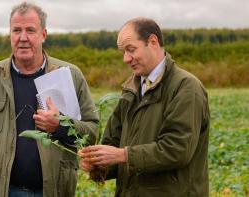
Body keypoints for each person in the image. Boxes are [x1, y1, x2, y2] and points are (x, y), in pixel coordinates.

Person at [0, 2, 98, 197]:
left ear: (43, 34)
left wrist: (59, 126)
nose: (22, 38)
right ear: (10, 34)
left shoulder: (70, 75)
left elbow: (92, 132)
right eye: (17, 30)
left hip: (53, 191)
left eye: (30, 30)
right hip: (2, 191)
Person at [79, 17, 210, 196]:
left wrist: (123, 155)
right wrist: (98, 165)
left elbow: (177, 149)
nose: (126, 59)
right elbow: (113, 143)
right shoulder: (130, 89)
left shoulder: (186, 87)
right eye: (123, 52)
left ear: (153, 42)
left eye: (131, 50)